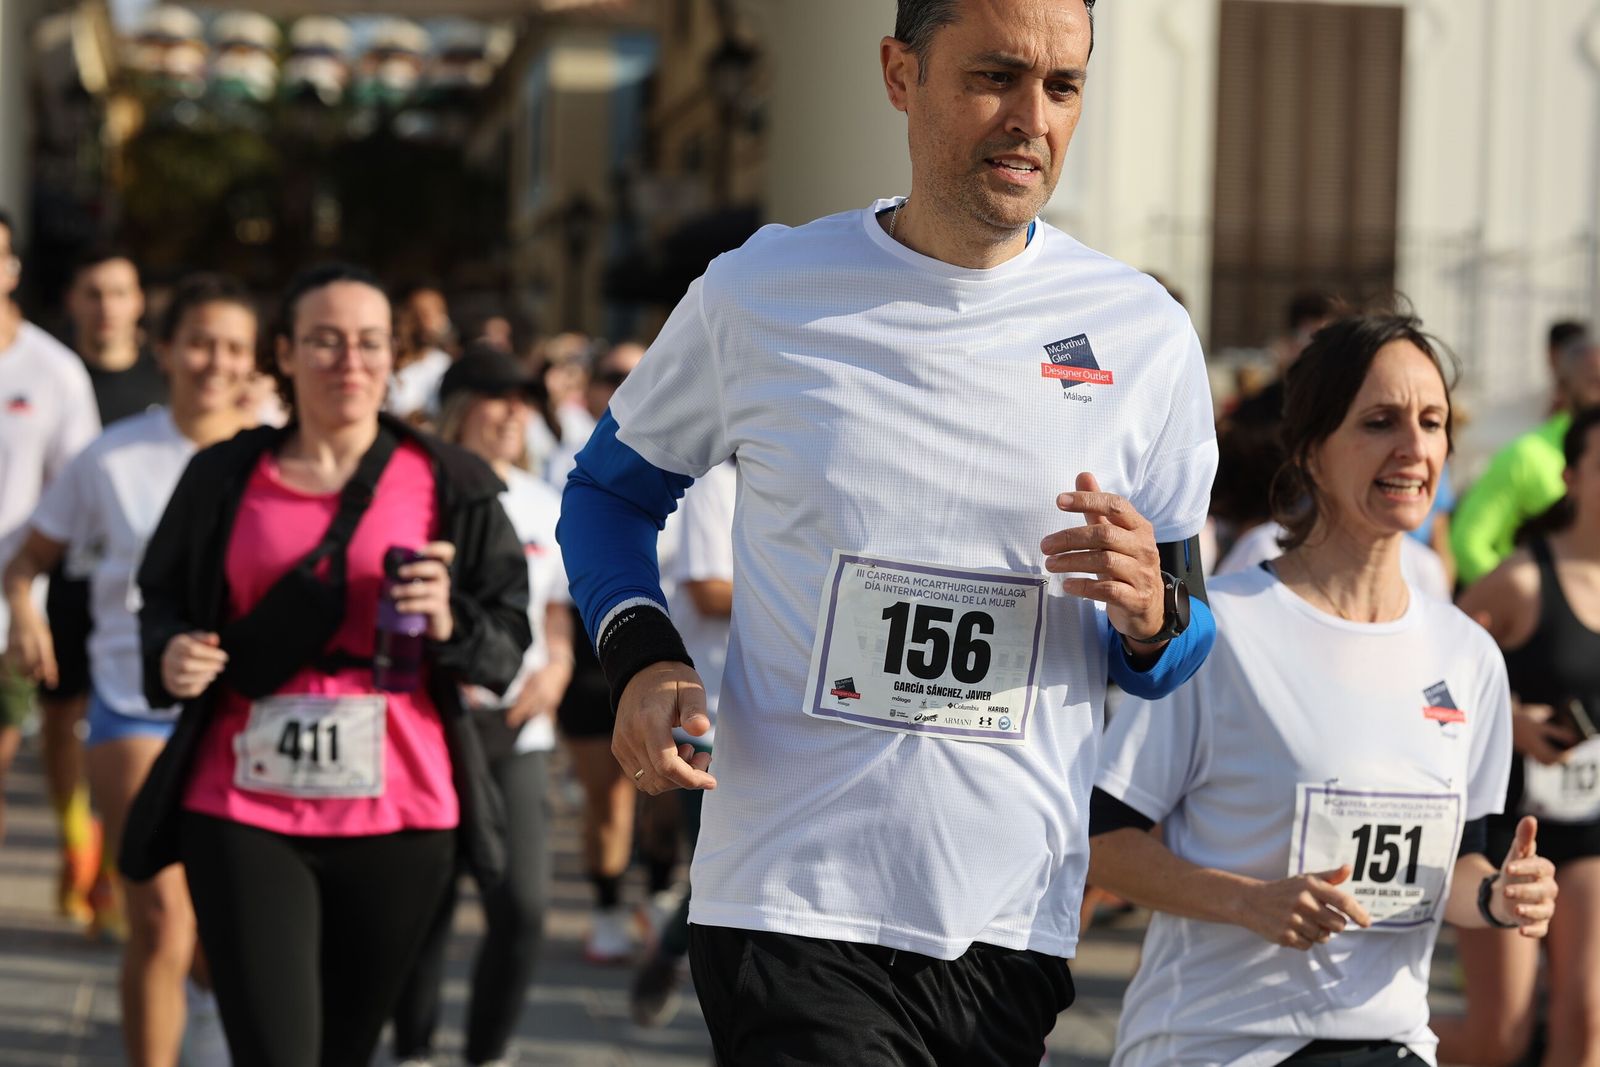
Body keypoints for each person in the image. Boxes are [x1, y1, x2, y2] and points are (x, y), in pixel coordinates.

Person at [558, 0, 1221, 1060]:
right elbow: (606, 494)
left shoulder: (1143, 333)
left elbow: (1182, 639)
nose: (1031, 118)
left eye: (1062, 87)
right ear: (900, 74)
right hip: (788, 897)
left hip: (1008, 916)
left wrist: (1151, 616)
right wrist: (641, 653)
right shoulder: (763, 293)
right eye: (994, 76)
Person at [1088, 313, 1558, 1067]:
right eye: (1379, 422)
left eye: (1431, 422)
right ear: (1310, 450)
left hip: (1390, 1040)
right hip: (1220, 1043)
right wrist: (1249, 901)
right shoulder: (1222, 627)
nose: (1413, 447)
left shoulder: (1468, 654)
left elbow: (1460, 865)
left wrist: (1500, 895)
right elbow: (1100, 843)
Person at [116, 264, 531, 1067]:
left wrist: (450, 620)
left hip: (401, 810)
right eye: (326, 341)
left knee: (344, 1050)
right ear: (285, 353)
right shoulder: (224, 475)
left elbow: (506, 641)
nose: (350, 361)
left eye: (371, 343)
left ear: (394, 356)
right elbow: (160, 596)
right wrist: (171, 651)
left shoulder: (452, 481)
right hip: (241, 802)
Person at [4, 272, 256, 1067]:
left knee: (224, 918)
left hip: (248, 712)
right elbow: (28, 557)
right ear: (165, 349)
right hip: (131, 699)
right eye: (200, 343)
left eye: (234, 347)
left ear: (257, 360)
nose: (215, 362)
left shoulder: (279, 453)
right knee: (159, 916)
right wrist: (25, 612)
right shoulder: (112, 456)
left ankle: (208, 1007)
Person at [390, 345, 574, 1067]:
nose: (513, 413)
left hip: (518, 726)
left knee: (523, 907)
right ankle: (413, 1048)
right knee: (422, 910)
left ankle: (487, 1053)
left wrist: (557, 668)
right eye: (498, 398)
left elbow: (554, 610)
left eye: (523, 400)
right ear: (460, 407)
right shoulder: (415, 488)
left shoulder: (544, 501)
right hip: (430, 725)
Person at [1436, 406, 1600, 1066]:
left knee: (1588, 1021)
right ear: (1571, 477)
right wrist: (1513, 719)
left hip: (1589, 830)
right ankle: (1352, 1040)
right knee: (1497, 1040)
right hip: (1507, 829)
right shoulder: (1522, 579)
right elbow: (1431, 670)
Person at [43, 247, 169, 932]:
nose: (107, 307)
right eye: (93, 293)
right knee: (62, 717)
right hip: (66, 573)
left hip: (137, 588)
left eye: (119, 292)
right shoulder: (59, 376)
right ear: (73, 302)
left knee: (123, 722)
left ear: (139, 301)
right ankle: (77, 844)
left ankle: (116, 871)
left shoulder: (163, 377)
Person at [0, 208, 101, 848]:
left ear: (11, 268)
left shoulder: (53, 370)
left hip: (11, 617)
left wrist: (28, 602)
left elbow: (81, 497)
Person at [631, 456, 736, 1027]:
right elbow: (707, 592)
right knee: (719, 869)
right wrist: (824, 599)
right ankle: (672, 953)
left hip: (790, 717)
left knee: (742, 870)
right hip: (711, 716)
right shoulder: (715, 484)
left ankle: (671, 950)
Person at [1452, 326, 1600, 586]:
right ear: (1563, 388)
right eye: (1595, 383)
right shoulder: (1526, 455)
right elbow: (1467, 543)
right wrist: (1529, 594)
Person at [386, 281, 454, 422]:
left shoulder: (445, 365)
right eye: (418, 314)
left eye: (436, 313)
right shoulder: (385, 365)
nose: (427, 323)